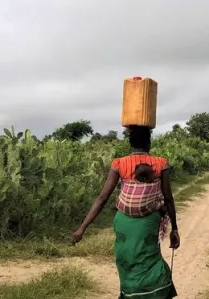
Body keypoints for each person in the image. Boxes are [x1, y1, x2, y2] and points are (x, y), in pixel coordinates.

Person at [72, 125, 180, 299]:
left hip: (123, 221)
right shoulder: (160, 163)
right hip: (148, 222)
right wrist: (174, 228)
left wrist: (82, 228)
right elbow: (168, 198)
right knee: (149, 258)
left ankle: (130, 293)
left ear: (130, 143)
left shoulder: (119, 164)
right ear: (149, 142)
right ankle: (155, 293)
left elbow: (102, 198)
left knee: (127, 258)